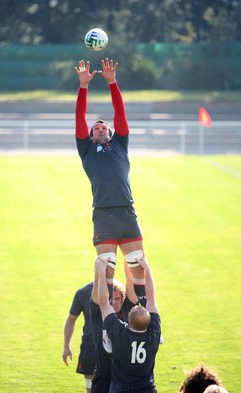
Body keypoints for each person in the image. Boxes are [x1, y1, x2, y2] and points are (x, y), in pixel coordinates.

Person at [74, 58, 145, 298]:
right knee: (107, 272)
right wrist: (83, 87)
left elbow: (120, 112)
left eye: (104, 127)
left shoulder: (120, 145)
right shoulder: (86, 151)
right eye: (96, 128)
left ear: (112, 133)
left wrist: (112, 83)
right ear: (91, 136)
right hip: (103, 214)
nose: (101, 128)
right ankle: (106, 325)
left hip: (127, 212)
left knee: (138, 267)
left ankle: (144, 317)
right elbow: (80, 116)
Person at [96, 255, 161, 393]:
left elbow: (103, 303)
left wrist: (101, 272)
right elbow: (151, 299)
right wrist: (147, 270)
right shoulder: (154, 334)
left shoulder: (119, 334)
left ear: (129, 322)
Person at [90, 261, 145, 393]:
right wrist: (100, 271)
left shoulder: (128, 309)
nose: (113, 302)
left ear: (122, 298)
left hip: (124, 381)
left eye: (116, 298)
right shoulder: (98, 312)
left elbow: (130, 280)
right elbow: (98, 288)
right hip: (104, 376)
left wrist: (128, 257)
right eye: (110, 299)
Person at [62, 282, 95, 393]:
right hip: (90, 349)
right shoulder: (83, 293)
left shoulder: (117, 291)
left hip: (113, 351)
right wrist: (66, 346)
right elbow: (71, 320)